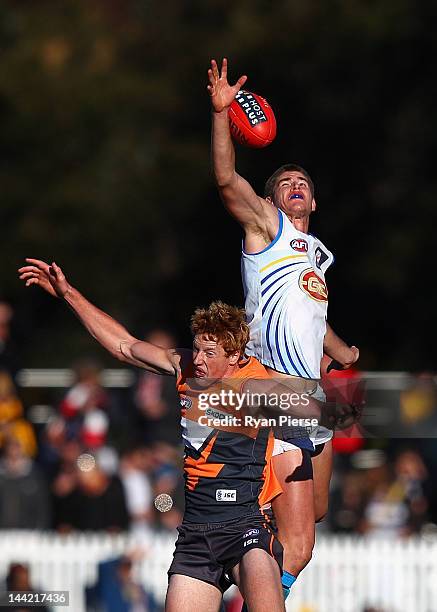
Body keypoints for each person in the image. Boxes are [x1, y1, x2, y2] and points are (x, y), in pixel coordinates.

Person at [18, 258, 287, 612]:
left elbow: (323, 427)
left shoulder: (265, 385)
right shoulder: (185, 369)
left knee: (265, 592)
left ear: (235, 355)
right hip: (197, 532)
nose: (199, 360)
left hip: (246, 526)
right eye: (197, 348)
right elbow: (124, 346)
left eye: (210, 352)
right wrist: (69, 294)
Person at [207, 57, 359, 600]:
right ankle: (251, 594)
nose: (295, 185)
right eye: (284, 182)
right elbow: (226, 178)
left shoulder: (316, 256)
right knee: (296, 546)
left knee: (313, 516)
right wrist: (222, 115)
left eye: (303, 183)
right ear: (271, 201)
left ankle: (248, 565)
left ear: (314, 202)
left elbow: (310, 316)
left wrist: (343, 349)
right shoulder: (266, 230)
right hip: (274, 393)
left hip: (311, 397)